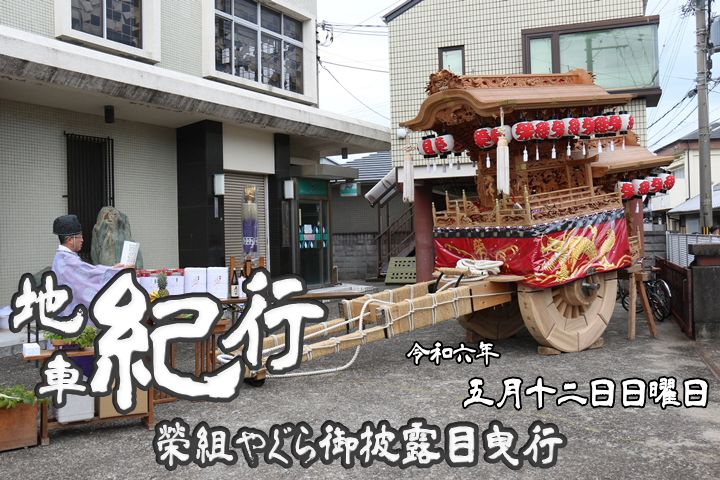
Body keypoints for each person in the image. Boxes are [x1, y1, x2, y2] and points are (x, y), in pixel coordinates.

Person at [51, 214, 134, 316]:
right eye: (80, 236)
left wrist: (113, 268)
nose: (82, 240)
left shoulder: (61, 256)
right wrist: (118, 272)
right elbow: (91, 274)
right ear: (70, 240)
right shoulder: (68, 259)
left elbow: (89, 271)